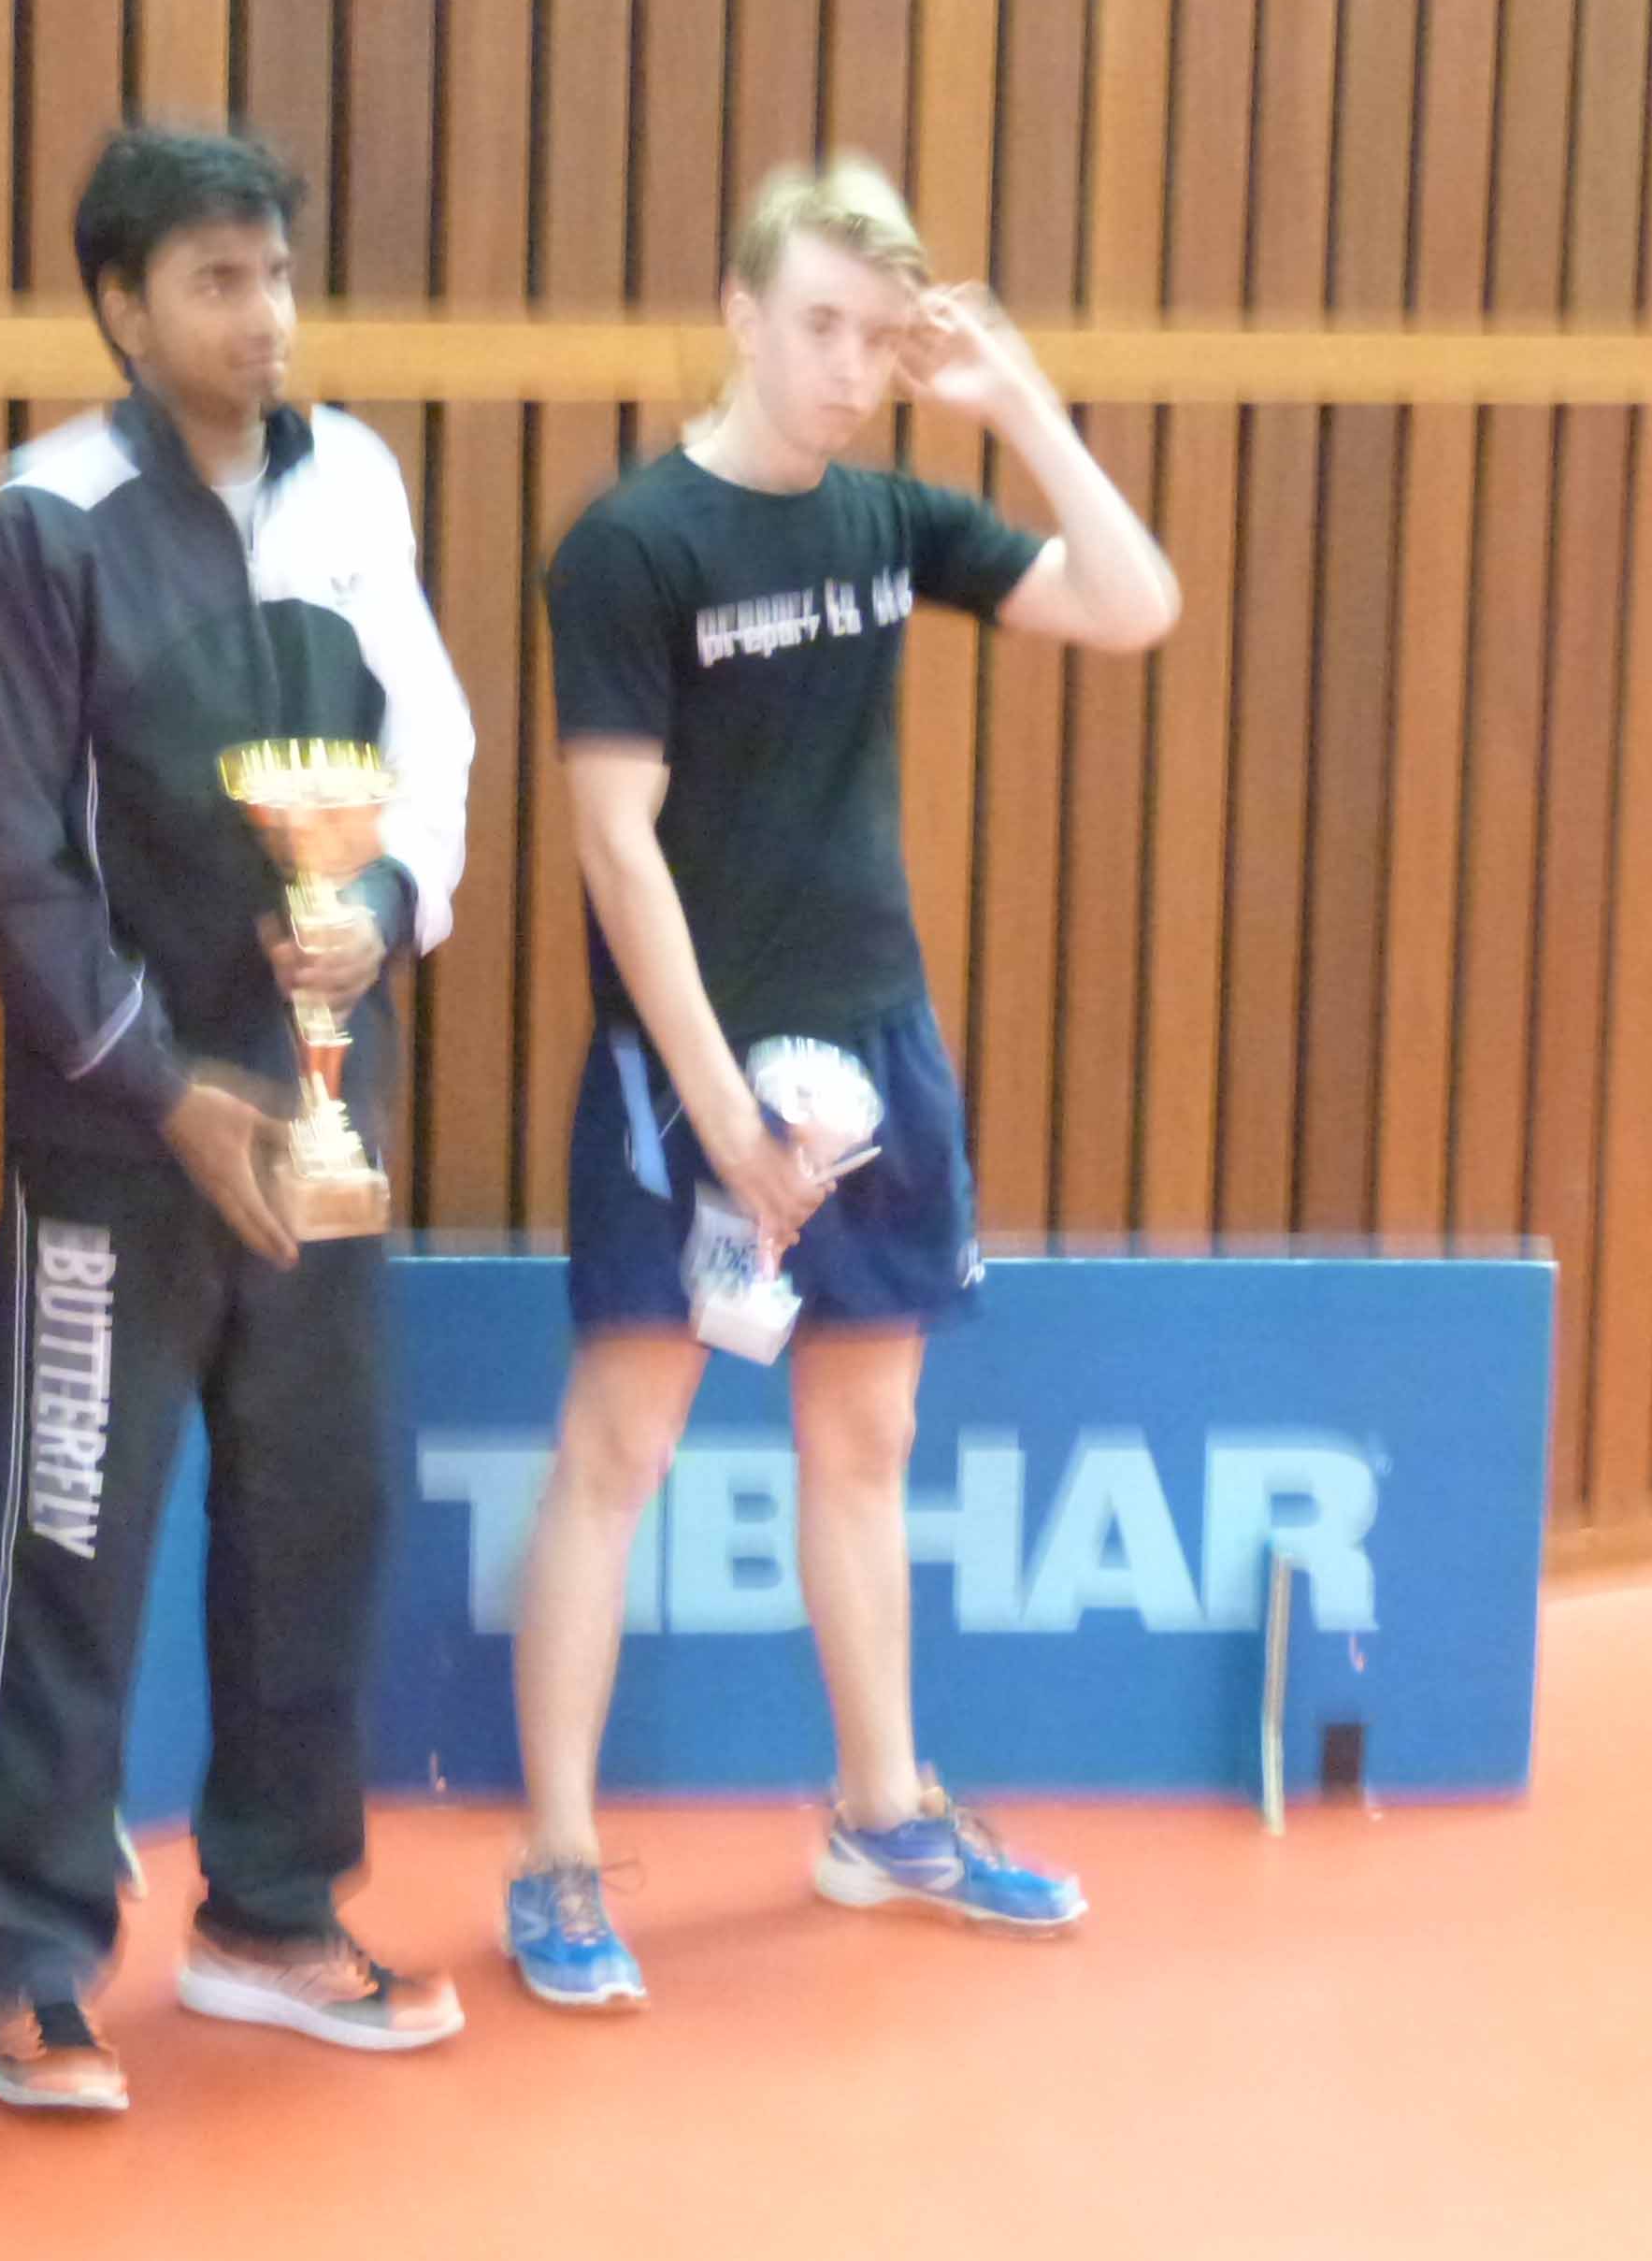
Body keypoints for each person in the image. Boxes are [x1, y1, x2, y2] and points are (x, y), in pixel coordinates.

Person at [505, 159, 1179, 2009]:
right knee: (619, 1452)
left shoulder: (890, 519)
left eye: (880, 340)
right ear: (739, 315)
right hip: (687, 1070)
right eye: (818, 326)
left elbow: (1132, 605)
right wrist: (719, 1109)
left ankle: (882, 1815)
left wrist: (1018, 404)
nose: (850, 368)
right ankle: (556, 1858)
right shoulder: (631, 548)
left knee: (864, 1445)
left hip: (877, 1052)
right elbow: (614, 844)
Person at [0, 123, 476, 2114]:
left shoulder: (358, 485)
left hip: (329, 1104)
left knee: (317, 1512)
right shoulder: (37, 529)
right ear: (119, 304)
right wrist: (168, 1094)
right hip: (124, 1133)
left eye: (276, 275)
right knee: (70, 1538)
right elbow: (13, 870)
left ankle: (270, 1913)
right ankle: (30, 1958)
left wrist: (389, 904)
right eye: (214, 282)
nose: (263, 318)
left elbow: (430, 743)